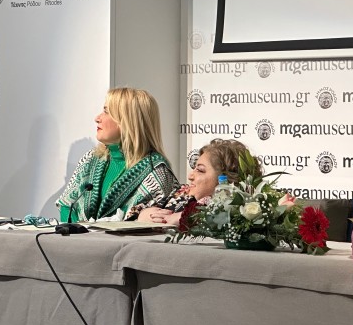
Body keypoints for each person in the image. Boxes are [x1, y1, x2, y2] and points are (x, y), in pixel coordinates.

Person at [56, 88, 179, 222]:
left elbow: (158, 224)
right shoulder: (91, 158)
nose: (97, 118)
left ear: (127, 121)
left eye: (106, 111)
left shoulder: (157, 172)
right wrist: (77, 232)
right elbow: (67, 205)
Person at [130, 138, 263, 224]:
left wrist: (186, 219)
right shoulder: (182, 193)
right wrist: (146, 216)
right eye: (194, 168)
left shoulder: (241, 209)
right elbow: (136, 211)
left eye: (200, 170)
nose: (190, 176)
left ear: (226, 179)